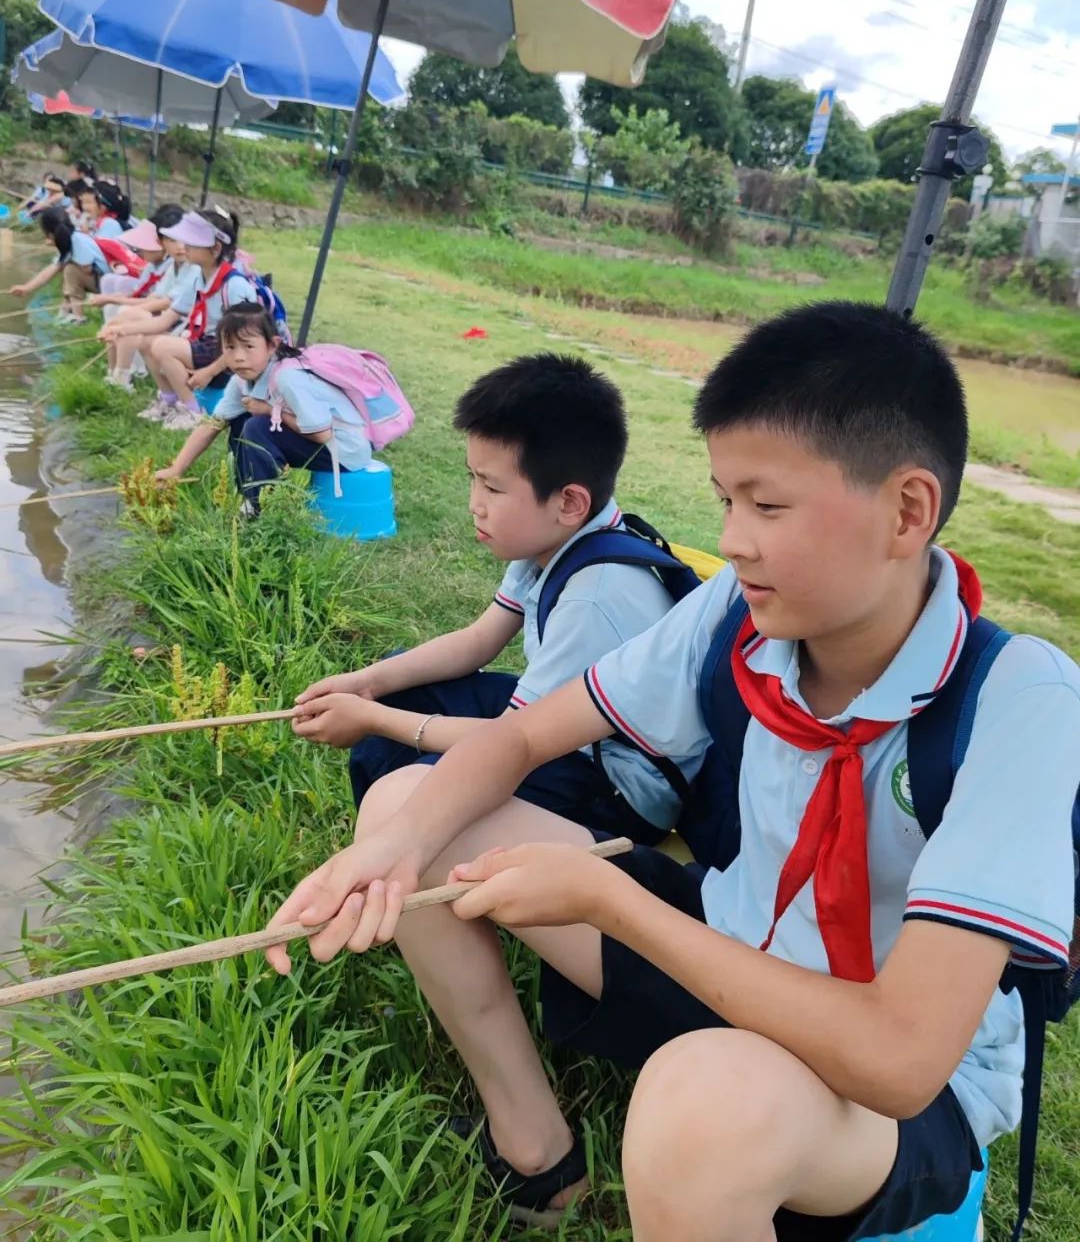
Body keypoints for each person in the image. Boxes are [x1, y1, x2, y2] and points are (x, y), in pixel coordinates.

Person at [266, 302, 1080, 1241]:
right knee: (414, 803)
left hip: (895, 1091)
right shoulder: (739, 611)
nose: (731, 538)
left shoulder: (1017, 698)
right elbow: (528, 737)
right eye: (726, 499)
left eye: (766, 505)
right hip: (734, 943)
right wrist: (394, 850)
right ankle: (534, 1148)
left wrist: (610, 903)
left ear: (906, 511)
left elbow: (899, 1057)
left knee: (699, 1109)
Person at [293, 353, 689, 842]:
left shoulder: (594, 598)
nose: (474, 504)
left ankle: (405, 846)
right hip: (568, 734)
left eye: (493, 487)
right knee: (395, 687)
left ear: (569, 502)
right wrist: (365, 684)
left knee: (440, 782)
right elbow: (480, 639)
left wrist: (371, 718)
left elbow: (509, 742)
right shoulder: (554, 539)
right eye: (472, 478)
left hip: (617, 783)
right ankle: (388, 845)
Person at [155, 302, 374, 510]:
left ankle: (262, 505)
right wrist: (177, 468)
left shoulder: (288, 378)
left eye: (248, 346)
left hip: (343, 451)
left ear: (272, 346)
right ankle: (250, 495)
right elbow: (212, 425)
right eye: (230, 347)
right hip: (321, 443)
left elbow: (322, 434)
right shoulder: (241, 381)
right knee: (239, 419)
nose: (238, 357)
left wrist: (270, 410)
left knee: (256, 426)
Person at [143, 208, 257, 432]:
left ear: (215, 249)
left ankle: (193, 412)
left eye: (192, 243)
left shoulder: (235, 286)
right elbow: (165, 320)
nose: (184, 247)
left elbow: (244, 344)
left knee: (163, 346)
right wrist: (120, 329)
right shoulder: (199, 276)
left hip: (230, 355)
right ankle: (169, 402)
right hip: (211, 344)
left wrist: (210, 371)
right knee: (148, 342)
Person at [97, 212, 201, 395]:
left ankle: (124, 376)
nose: (180, 247)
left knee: (131, 315)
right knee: (125, 313)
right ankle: (114, 372)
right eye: (172, 241)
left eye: (183, 241)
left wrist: (125, 311)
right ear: (161, 242)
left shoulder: (193, 268)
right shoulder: (175, 267)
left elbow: (167, 303)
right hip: (172, 318)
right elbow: (157, 298)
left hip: (185, 324)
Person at [7, 206, 108, 321]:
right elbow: (51, 269)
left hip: (105, 283)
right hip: (98, 280)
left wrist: (64, 266)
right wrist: (27, 288)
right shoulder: (71, 240)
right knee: (68, 270)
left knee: (70, 271)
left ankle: (78, 318)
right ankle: (67, 312)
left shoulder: (78, 241)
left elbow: (86, 269)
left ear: (50, 234)